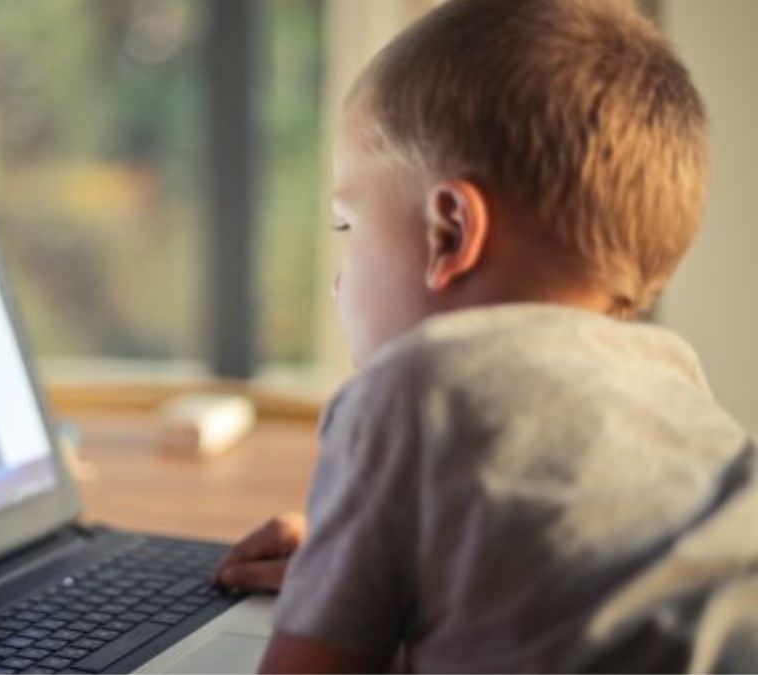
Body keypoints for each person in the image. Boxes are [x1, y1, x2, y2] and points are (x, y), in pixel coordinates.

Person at [213, 0, 758, 671]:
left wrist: (331, 608)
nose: (337, 279)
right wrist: (354, 568)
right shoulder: (680, 387)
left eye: (347, 226)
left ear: (450, 233)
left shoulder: (414, 388)